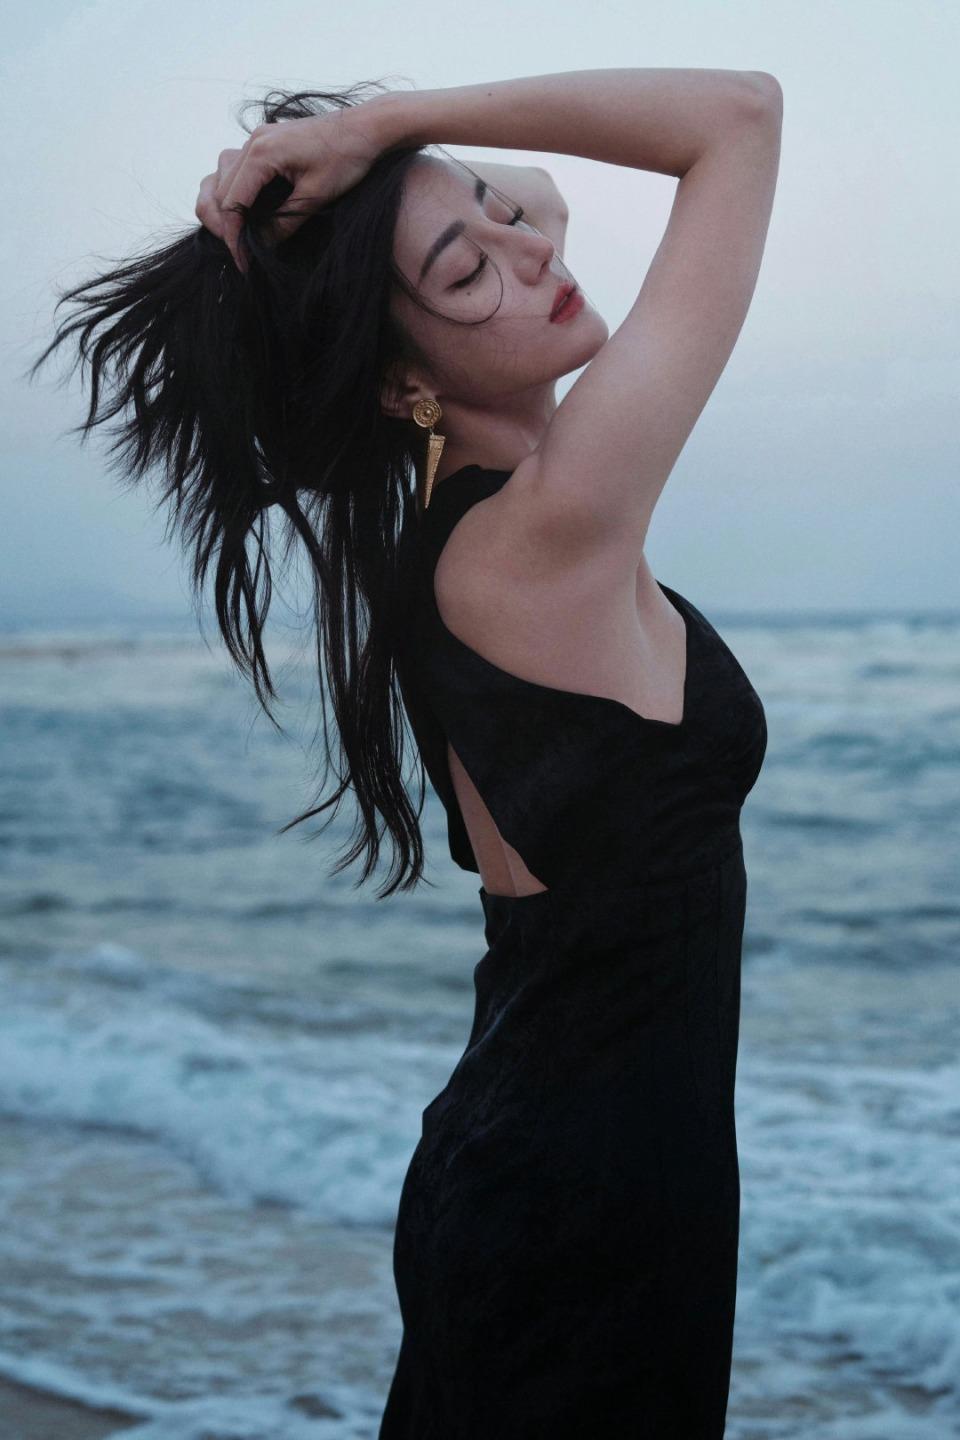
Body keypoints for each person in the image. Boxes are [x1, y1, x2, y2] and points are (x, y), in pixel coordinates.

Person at [28, 67, 781, 1436]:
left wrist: (391, 170)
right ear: (401, 381)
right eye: (466, 271)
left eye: (501, 215)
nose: (527, 249)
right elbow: (736, 119)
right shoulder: (540, 532)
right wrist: (381, 128)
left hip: (581, 1181)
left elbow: (533, 199)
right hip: (577, 1219)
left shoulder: (476, 522)